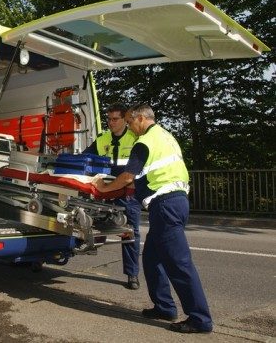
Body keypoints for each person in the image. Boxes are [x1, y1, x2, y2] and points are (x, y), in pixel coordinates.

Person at [93, 104, 213, 334]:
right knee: (151, 257)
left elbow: (128, 177)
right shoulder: (166, 137)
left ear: (140, 118)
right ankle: (164, 306)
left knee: (179, 263)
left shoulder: (144, 142)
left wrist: (104, 188)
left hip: (166, 205)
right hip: (173, 203)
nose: (129, 126)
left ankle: (200, 319)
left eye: (129, 121)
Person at [83, 103, 141, 290]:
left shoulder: (135, 138)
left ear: (125, 119)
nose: (111, 122)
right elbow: (84, 158)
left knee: (130, 231)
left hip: (127, 193)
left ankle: (132, 274)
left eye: (115, 119)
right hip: (106, 191)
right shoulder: (102, 139)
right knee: (88, 223)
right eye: (108, 119)